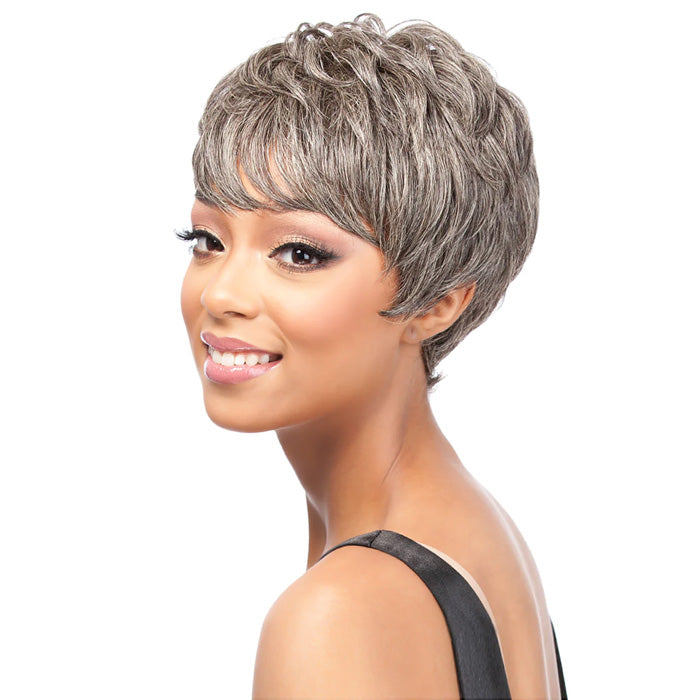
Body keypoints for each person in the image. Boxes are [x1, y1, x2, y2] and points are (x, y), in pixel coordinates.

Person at [178, 13, 567, 700]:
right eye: (208, 240)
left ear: (437, 301)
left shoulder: (340, 614)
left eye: (298, 253)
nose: (222, 293)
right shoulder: (476, 533)